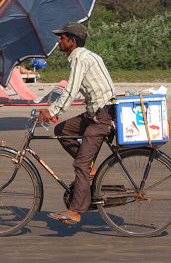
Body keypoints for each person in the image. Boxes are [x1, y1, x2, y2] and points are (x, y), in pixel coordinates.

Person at [36, 22, 116, 225]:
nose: (59, 40)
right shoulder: (83, 56)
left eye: (62, 37)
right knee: (63, 129)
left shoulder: (80, 58)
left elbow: (70, 91)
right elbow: (71, 91)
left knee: (80, 164)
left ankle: (76, 211)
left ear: (72, 41)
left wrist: (51, 111)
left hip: (102, 117)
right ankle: (90, 169)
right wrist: (53, 111)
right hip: (95, 113)